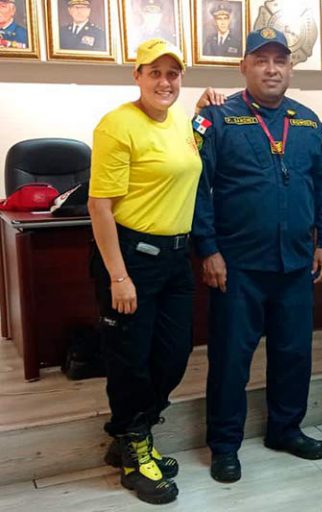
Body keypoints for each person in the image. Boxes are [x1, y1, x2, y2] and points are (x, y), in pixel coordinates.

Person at [192, 27, 322, 484]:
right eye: (261, 60)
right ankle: (225, 445)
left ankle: (285, 429)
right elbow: (198, 188)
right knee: (231, 359)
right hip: (238, 266)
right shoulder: (216, 118)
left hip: (295, 262)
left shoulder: (309, 122)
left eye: (280, 61)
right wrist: (208, 249)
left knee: (294, 353)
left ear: (290, 68)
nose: (271, 69)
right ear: (244, 67)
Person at [88, 38, 202, 505]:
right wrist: (119, 276)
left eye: (172, 73)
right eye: (154, 72)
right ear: (137, 76)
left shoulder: (180, 121)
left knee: (173, 355)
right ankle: (135, 450)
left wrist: (207, 106)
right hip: (131, 257)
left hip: (175, 258)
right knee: (130, 359)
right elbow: (99, 207)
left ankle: (131, 434)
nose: (164, 82)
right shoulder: (117, 125)